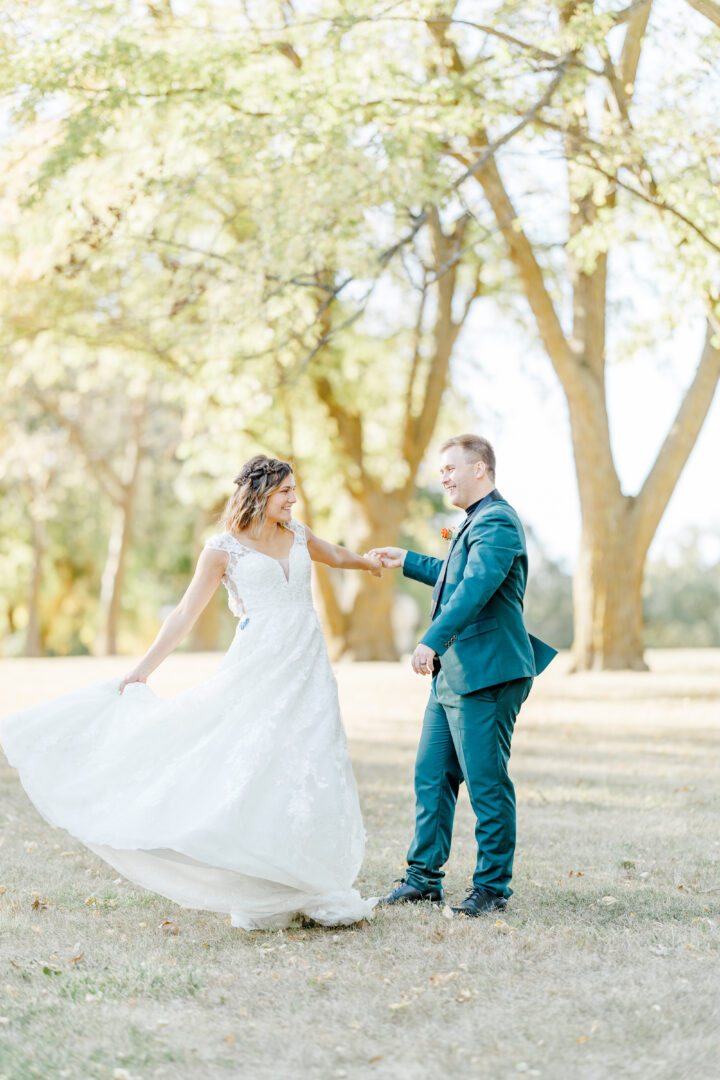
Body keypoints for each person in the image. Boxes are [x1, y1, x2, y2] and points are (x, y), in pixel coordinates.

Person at [1, 455, 381, 930]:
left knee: (311, 760)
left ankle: (309, 878)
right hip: (259, 669)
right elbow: (183, 615)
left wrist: (368, 563)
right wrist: (142, 670)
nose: (293, 498)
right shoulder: (222, 550)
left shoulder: (298, 534)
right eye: (285, 491)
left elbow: (338, 555)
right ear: (260, 493)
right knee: (256, 761)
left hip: (308, 670)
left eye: (293, 490)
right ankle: (261, 882)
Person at [370, 435, 557, 917]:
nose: (445, 478)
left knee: (486, 783)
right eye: (441, 472)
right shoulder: (474, 522)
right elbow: (456, 573)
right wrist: (406, 559)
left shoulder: (498, 521)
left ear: (481, 469)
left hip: (488, 673)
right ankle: (422, 880)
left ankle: (492, 888)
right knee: (431, 777)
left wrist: (431, 638)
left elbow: (474, 588)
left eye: (451, 468)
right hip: (454, 675)